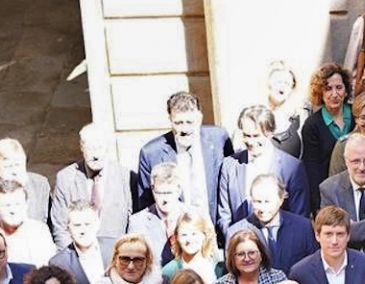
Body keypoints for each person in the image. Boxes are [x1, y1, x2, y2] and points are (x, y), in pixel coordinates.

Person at [136, 91, 234, 220]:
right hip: (175, 233)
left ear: (199, 118)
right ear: (170, 120)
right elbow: (146, 204)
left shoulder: (218, 139)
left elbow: (231, 181)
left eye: (190, 122)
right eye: (179, 123)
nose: (185, 129)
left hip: (215, 229)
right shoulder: (151, 153)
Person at [218, 105, 309, 234]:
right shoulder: (230, 166)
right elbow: (224, 216)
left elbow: (299, 217)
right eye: (246, 135)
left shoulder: (292, 168)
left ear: (270, 133)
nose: (251, 142)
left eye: (256, 136)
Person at [50, 123, 131, 247]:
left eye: (99, 148)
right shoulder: (66, 179)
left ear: (107, 147)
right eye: (91, 149)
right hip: (77, 258)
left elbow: (134, 225)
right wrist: (72, 261)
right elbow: (60, 227)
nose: (96, 156)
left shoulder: (127, 178)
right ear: (82, 148)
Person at [227, 175, 317, 273]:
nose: (262, 208)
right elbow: (232, 272)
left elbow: (314, 266)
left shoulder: (303, 227)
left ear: (281, 199)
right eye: (257, 202)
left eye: (267, 202)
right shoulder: (235, 232)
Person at [302, 64, 359, 215]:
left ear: (346, 90)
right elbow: (312, 170)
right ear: (320, 93)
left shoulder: (357, 115)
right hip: (331, 194)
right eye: (328, 89)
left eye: (339, 87)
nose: (334, 94)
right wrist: (319, 206)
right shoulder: (312, 125)